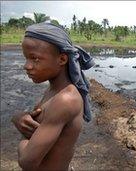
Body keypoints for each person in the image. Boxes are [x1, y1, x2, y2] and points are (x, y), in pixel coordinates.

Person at [11, 22, 95, 171]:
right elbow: (39, 121)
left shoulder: (65, 100)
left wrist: (24, 140)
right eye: (26, 58)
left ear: (62, 59)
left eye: (35, 58)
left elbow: (27, 162)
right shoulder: (53, 91)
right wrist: (19, 118)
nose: (27, 66)